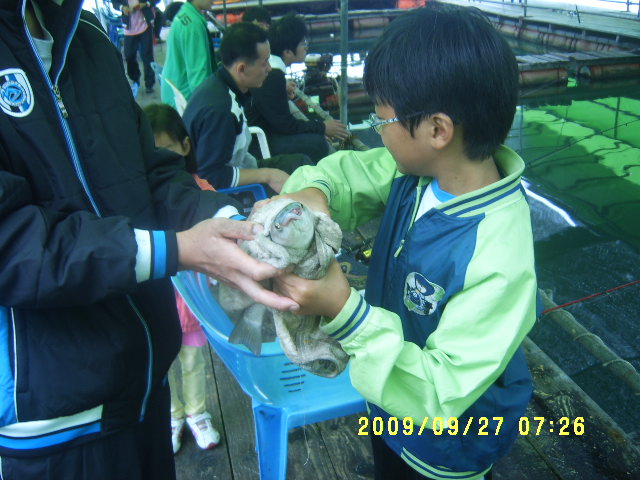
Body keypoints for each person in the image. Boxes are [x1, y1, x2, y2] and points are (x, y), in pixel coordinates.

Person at [0, 1, 297, 479]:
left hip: (144, 383)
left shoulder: (86, 33)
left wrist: (231, 221)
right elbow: (12, 245)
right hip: (54, 422)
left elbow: (149, 168)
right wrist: (174, 250)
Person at [271, 4, 538, 480]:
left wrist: (343, 310)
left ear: (437, 130)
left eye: (382, 123)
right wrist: (315, 193)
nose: (377, 135)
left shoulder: (499, 253)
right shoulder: (419, 172)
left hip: (447, 446)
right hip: (387, 404)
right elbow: (349, 173)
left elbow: (438, 389)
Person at [144, 104, 220, 453]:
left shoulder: (198, 190)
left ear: (185, 146)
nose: (156, 160)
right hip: (156, 302)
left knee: (192, 360)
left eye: (165, 149)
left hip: (190, 302)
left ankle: (197, 413)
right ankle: (173, 415)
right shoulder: (138, 198)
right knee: (165, 364)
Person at [182, 22, 311, 193]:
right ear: (242, 68)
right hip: (232, 192)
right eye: (264, 63)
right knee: (306, 181)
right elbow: (211, 177)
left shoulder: (217, 84)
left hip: (241, 165)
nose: (269, 68)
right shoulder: (222, 110)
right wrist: (267, 175)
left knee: (301, 162)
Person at [247, 13, 349, 163]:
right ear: (287, 52)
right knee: (318, 144)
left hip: (262, 133)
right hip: (259, 143)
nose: (306, 47)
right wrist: (323, 127)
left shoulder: (273, 72)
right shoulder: (273, 75)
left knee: (313, 138)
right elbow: (285, 125)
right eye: (302, 43)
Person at [160, 0, 215, 108]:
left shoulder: (185, 14)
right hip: (184, 99)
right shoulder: (193, 25)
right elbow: (198, 79)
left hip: (175, 92)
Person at [112, 0, 158, 95]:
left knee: (147, 55)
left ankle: (149, 84)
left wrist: (146, 4)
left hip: (145, 25)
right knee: (129, 55)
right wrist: (122, 8)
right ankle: (135, 78)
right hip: (129, 27)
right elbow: (115, 3)